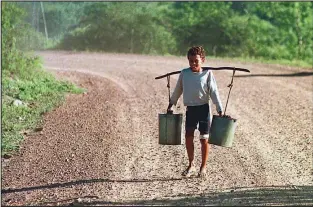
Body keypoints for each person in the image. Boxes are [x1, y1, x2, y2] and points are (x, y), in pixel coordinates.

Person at [167, 46, 223, 178]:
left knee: (204, 139)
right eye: (190, 61)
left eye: (196, 61)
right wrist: (170, 105)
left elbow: (214, 92)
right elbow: (177, 90)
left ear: (202, 60)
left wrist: (219, 109)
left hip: (203, 109)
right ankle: (191, 164)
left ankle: (203, 167)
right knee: (188, 136)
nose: (193, 64)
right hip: (190, 109)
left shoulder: (208, 74)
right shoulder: (184, 73)